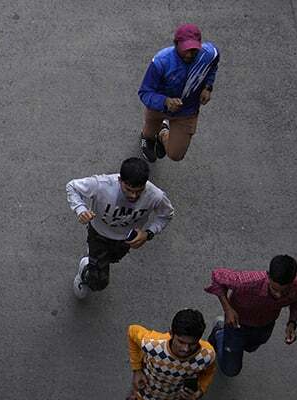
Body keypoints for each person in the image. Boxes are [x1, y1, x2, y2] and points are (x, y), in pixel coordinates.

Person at [66, 157, 174, 299]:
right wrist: (80, 209)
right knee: (99, 281)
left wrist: (148, 233)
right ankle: (86, 271)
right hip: (99, 234)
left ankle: (93, 260)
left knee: (112, 259)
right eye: (128, 190)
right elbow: (72, 186)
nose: (133, 195)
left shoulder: (156, 196)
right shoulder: (102, 185)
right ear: (119, 180)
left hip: (126, 240)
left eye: (139, 191)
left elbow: (166, 214)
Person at [120, 309, 216, 400]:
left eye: (192, 344)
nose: (185, 349)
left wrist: (200, 390)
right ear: (171, 333)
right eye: (181, 342)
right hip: (148, 397)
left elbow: (208, 371)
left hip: (175, 397)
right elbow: (132, 331)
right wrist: (137, 370)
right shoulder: (153, 344)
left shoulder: (207, 355)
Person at [205, 255, 297, 377]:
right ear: (268, 276)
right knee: (230, 370)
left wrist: (292, 323)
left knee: (250, 348)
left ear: (293, 281)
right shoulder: (246, 281)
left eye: (284, 291)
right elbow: (217, 277)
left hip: (265, 326)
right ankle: (220, 330)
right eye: (274, 289)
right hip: (237, 324)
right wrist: (228, 309)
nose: (279, 295)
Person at [138, 24, 219, 163]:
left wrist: (208, 86)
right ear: (176, 44)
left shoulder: (209, 54)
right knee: (148, 134)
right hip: (159, 108)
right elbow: (145, 92)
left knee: (176, 155)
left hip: (187, 111)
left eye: (194, 50)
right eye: (185, 50)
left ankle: (163, 133)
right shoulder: (161, 62)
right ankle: (147, 138)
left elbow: (212, 66)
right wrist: (165, 101)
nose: (189, 55)